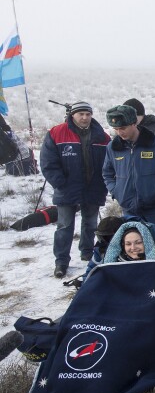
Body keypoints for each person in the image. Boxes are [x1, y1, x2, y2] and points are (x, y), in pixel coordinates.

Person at [40, 101, 110, 278]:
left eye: (88, 114)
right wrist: (60, 183)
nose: (85, 117)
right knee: (64, 226)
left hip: (93, 188)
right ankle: (61, 261)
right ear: (73, 115)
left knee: (90, 223)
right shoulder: (57, 133)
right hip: (67, 188)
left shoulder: (102, 136)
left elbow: (109, 162)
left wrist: (104, 183)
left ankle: (87, 252)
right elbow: (48, 162)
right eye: (81, 114)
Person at [103, 105, 155, 231]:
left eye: (123, 128)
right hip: (129, 209)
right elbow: (107, 173)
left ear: (134, 123)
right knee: (135, 248)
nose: (120, 132)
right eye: (116, 129)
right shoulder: (113, 147)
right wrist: (116, 191)